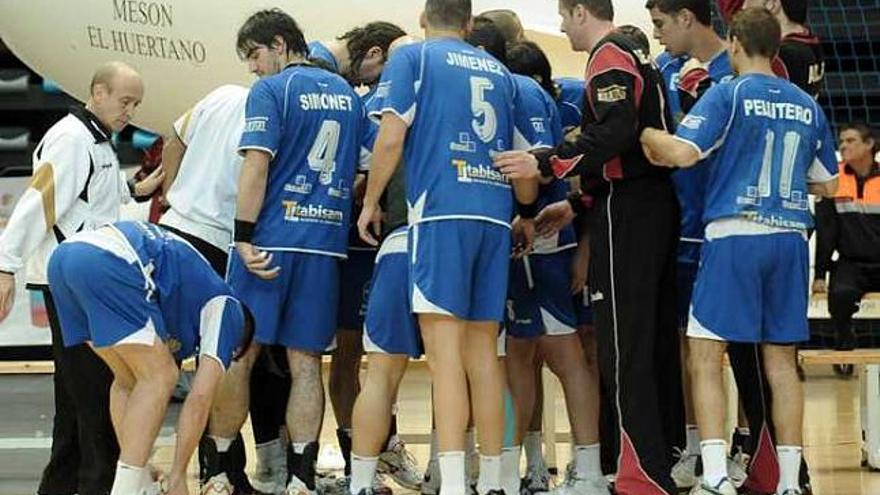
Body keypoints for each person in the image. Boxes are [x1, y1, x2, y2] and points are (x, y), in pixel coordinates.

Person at [640, 8, 839, 495]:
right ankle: (790, 482)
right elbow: (830, 184)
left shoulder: (728, 93)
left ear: (733, 44)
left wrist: (644, 132)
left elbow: (683, 153)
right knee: (781, 362)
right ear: (775, 49)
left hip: (736, 234)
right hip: (791, 238)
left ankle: (713, 476)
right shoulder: (805, 103)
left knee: (705, 355)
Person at [494, 0, 683, 492]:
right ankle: (656, 463)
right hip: (646, 205)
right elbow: (631, 143)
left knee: (623, 345)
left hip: (632, 211)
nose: (560, 26)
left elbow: (616, 131)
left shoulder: (608, 54)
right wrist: (577, 206)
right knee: (647, 340)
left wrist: (547, 161)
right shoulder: (635, 55)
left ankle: (639, 470)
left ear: (581, 12)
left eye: (562, 15)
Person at [357, 2, 539, 495]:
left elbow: (391, 139)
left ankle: (455, 482)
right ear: (467, 24)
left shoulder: (414, 59)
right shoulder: (501, 72)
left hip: (441, 214)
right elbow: (526, 173)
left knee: (445, 359)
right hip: (493, 217)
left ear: (423, 19)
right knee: (484, 356)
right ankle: (497, 480)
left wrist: (371, 201)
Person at [0, 61, 163, 495]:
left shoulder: (95, 139)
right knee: (94, 398)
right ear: (98, 92)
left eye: (136, 104)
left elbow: (90, 201)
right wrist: (6, 266)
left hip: (81, 280)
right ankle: (95, 485)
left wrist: (134, 191)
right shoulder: (72, 139)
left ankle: (61, 487)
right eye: (125, 101)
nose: (130, 111)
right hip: (75, 285)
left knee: (76, 402)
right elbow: (39, 203)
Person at [229, 8, 366, 495]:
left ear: (281, 44)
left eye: (255, 54)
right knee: (307, 361)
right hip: (325, 245)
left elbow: (255, 168)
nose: (252, 67)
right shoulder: (349, 96)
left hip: (269, 241)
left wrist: (242, 235)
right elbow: (365, 168)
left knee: (237, 354)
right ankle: (303, 479)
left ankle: (223, 471)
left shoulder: (271, 90)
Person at [46, 220, 253, 495]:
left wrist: (139, 461)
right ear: (237, 347)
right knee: (163, 375)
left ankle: (138, 479)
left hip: (63, 259)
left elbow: (125, 386)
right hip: (106, 259)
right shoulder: (230, 310)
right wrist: (178, 475)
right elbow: (200, 398)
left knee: (127, 380)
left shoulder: (185, 300)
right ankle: (128, 487)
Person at [492, 32, 608, 495]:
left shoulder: (527, 98)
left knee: (564, 358)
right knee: (524, 359)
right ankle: (527, 467)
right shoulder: (551, 102)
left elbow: (555, 178)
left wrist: (582, 246)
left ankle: (587, 469)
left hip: (540, 243)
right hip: (541, 242)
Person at [644, 1, 745, 491]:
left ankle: (745, 443)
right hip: (678, 224)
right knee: (689, 344)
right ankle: (696, 446)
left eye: (661, 24)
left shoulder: (739, 71)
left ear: (687, 17)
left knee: (745, 345)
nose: (656, 34)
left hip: (728, 223)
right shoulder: (663, 68)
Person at [157, 84, 257, 494]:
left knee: (156, 364)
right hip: (216, 241)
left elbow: (172, 139)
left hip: (173, 229)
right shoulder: (271, 107)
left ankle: (136, 470)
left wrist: (170, 193)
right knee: (219, 359)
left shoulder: (222, 94)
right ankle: (216, 470)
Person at [814, 123, 880, 349]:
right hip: (850, 264)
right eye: (841, 141)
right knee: (840, 295)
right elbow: (826, 231)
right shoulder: (833, 180)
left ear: (869, 144)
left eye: (850, 140)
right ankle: (844, 339)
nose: (843, 146)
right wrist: (820, 275)